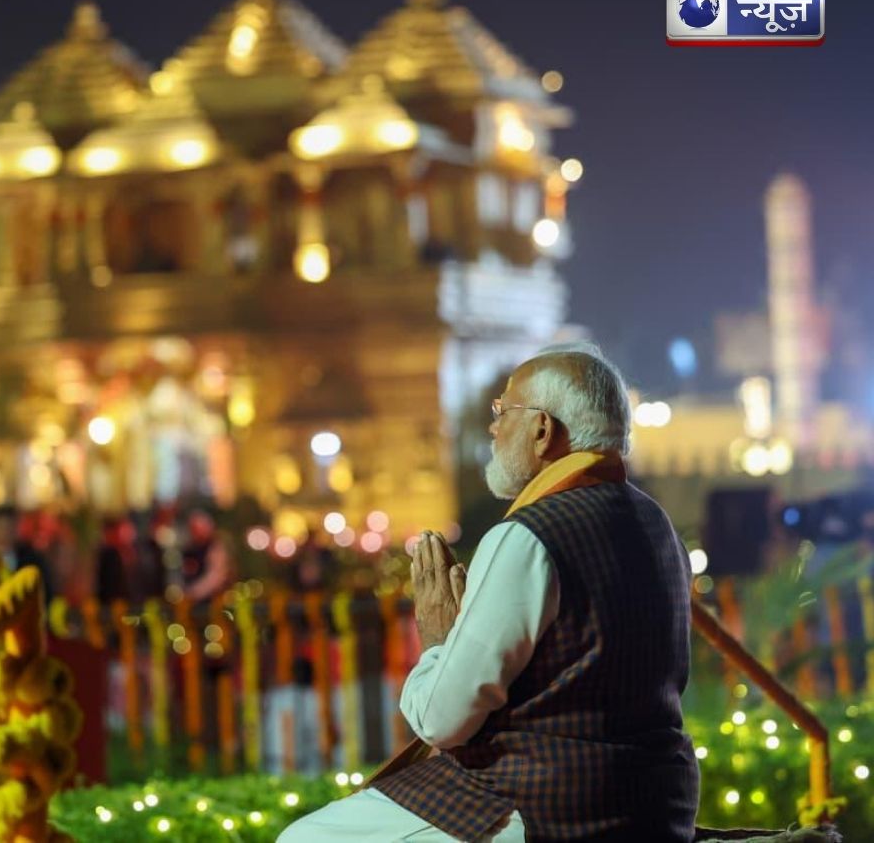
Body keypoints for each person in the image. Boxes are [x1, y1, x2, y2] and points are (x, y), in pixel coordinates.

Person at [280, 344, 699, 842]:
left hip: (551, 806)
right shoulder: (654, 521)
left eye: (503, 412)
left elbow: (441, 720)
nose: (494, 428)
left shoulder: (526, 536)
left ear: (543, 429)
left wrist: (438, 642)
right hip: (658, 801)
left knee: (306, 838)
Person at [0, 504, 57, 606]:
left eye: (12, 526)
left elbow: (45, 589)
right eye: (4, 526)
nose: (8, 531)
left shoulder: (31, 557)